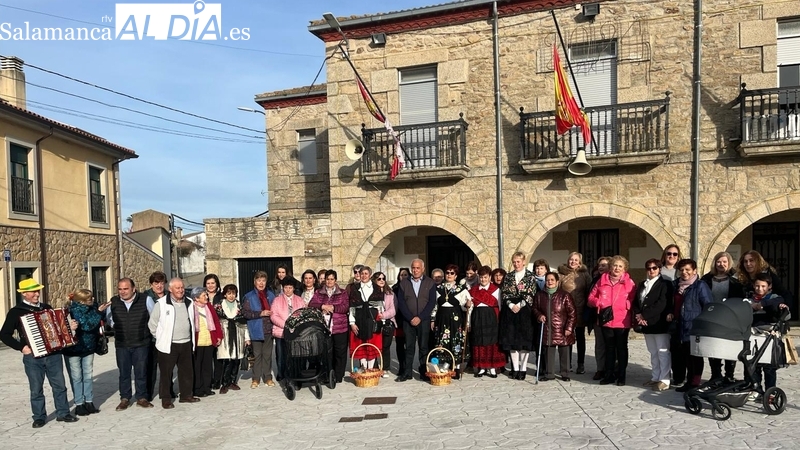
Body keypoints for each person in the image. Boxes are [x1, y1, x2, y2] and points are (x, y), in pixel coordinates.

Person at [0, 279, 79, 428]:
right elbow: (4, 335)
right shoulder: (16, 312)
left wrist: (71, 327)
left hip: (53, 354)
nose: (37, 294)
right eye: (34, 291)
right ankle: (39, 417)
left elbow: (59, 330)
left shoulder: (46, 308)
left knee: (60, 385)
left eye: (38, 291)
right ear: (24, 294)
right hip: (32, 358)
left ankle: (63, 413)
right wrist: (21, 347)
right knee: (36, 388)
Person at [149, 278, 200, 408]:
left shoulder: (189, 302)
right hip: (168, 344)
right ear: (170, 289)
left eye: (182, 287)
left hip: (186, 342)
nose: (181, 290)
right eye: (177, 288)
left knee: (186, 372)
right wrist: (160, 338)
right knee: (166, 373)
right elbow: (152, 324)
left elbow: (193, 321)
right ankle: (166, 398)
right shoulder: (161, 304)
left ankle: (186, 395)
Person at [108, 277, 156, 410]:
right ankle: (125, 398)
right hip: (122, 344)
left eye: (126, 289)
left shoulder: (145, 299)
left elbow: (153, 318)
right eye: (120, 289)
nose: (122, 292)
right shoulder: (114, 302)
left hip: (141, 343)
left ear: (133, 289)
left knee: (141, 372)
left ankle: (142, 397)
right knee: (124, 373)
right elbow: (110, 319)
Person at [588, 255, 636, 386]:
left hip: (622, 320)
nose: (617, 268)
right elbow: (591, 298)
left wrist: (627, 305)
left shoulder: (629, 282)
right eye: (615, 265)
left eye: (620, 266)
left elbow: (634, 299)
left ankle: (621, 375)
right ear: (610, 267)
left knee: (621, 348)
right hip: (606, 319)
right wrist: (600, 302)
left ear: (624, 269)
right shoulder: (601, 281)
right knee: (609, 348)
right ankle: (608, 375)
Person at [701, 251, 745, 382]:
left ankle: (729, 375)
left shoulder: (736, 279)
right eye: (719, 261)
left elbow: (740, 298)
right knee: (713, 346)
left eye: (724, 262)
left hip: (730, 317)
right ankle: (715, 374)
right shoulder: (706, 279)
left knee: (729, 346)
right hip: (712, 317)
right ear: (715, 263)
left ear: (729, 263)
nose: (721, 264)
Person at [671, 259, 713, 392]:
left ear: (694, 270)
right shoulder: (676, 285)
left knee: (695, 356)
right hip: (680, 325)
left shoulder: (700, 286)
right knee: (686, 356)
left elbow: (708, 305)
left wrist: (703, 324)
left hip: (694, 326)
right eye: (682, 270)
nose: (684, 272)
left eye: (688, 269)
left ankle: (695, 382)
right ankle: (689, 381)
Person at [633, 259, 674, 391]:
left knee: (663, 352)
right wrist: (639, 315)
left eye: (654, 268)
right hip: (646, 324)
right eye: (649, 268)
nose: (651, 270)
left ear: (659, 269)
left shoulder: (665, 284)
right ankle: (655, 377)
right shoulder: (642, 284)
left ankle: (665, 379)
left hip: (659, 322)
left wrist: (644, 315)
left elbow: (662, 303)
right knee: (653, 352)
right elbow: (636, 301)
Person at [64, 289, 106, 416]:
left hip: (89, 347)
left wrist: (100, 312)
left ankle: (89, 401)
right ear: (81, 301)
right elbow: (87, 325)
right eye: (89, 299)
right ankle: (79, 403)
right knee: (77, 377)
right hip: (74, 349)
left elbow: (99, 320)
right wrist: (98, 312)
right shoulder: (73, 310)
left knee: (87, 376)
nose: (92, 300)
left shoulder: (93, 307)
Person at [747, 273, 789, 398]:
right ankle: (756, 389)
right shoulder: (750, 298)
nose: (760, 289)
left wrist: (762, 304)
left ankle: (770, 391)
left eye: (763, 286)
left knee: (769, 366)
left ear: (769, 287)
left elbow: (779, 304)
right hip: (753, 333)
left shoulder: (775, 298)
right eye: (757, 286)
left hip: (769, 333)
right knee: (754, 364)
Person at [396, 258, 437, 382]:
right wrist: (410, 317)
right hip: (408, 321)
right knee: (409, 347)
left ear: (423, 269)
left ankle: (424, 371)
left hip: (423, 320)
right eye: (413, 267)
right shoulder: (404, 283)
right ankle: (407, 372)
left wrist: (420, 317)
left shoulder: (430, 283)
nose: (415, 270)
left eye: (418, 268)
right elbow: (401, 303)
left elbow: (431, 302)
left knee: (424, 347)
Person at [499, 252, 537, 380]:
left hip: (524, 310)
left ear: (524, 262)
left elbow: (531, 293)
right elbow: (504, 293)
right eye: (514, 262)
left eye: (518, 261)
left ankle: (523, 368)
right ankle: (515, 368)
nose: (516, 264)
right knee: (512, 340)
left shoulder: (530, 277)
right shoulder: (509, 276)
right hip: (510, 311)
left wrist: (520, 305)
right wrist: (510, 305)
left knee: (523, 340)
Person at [534, 272, 576, 381]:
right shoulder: (540, 295)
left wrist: (569, 328)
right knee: (548, 352)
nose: (550, 282)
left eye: (552, 280)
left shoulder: (565, 295)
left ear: (557, 282)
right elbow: (535, 308)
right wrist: (539, 315)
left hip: (562, 329)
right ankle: (549, 373)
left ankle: (565, 373)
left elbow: (572, 313)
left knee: (564, 352)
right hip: (548, 329)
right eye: (548, 280)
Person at [309, 270, 350, 383]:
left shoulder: (342, 292)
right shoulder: (319, 292)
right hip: (324, 327)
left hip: (340, 327)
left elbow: (345, 306)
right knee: (327, 352)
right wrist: (322, 306)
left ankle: (338, 375)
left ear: (335, 280)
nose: (329, 281)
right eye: (328, 279)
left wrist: (333, 308)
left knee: (340, 352)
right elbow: (312, 304)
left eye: (332, 279)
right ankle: (328, 374)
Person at [431, 264, 472, 378]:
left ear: (456, 276)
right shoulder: (439, 288)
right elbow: (435, 306)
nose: (449, 275)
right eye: (447, 273)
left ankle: (457, 368)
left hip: (455, 319)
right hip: (442, 319)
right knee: (443, 342)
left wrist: (468, 305)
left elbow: (467, 306)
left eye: (452, 273)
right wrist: (433, 320)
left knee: (456, 341)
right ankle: (446, 365)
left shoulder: (461, 289)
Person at [558, 252, 592, 375]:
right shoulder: (562, 274)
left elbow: (590, 291)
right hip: (566, 311)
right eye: (571, 259)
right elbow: (558, 291)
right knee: (568, 337)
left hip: (581, 310)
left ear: (580, 262)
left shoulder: (585, 275)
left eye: (576, 260)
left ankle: (581, 364)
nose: (573, 262)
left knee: (580, 337)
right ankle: (568, 363)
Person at [468, 266, 505, 377]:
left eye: (485, 277)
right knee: (479, 341)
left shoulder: (496, 290)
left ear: (489, 277)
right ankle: (482, 367)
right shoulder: (473, 290)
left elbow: (499, 306)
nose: (483, 280)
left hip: (491, 317)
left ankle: (492, 367)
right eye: (481, 277)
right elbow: (469, 308)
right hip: (477, 317)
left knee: (492, 342)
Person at [242, 270, 275, 388]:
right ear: (254, 282)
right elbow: (245, 313)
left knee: (267, 355)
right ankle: (255, 378)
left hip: (268, 330)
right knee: (257, 356)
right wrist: (260, 313)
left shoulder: (271, 295)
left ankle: (267, 377)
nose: (261, 283)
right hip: (256, 329)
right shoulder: (249, 296)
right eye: (259, 280)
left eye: (263, 280)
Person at [214, 284, 250, 393]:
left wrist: (247, 338)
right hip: (225, 335)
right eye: (229, 293)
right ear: (225, 294)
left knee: (236, 360)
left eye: (233, 293)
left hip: (238, 334)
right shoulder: (218, 306)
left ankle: (233, 381)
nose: (231, 296)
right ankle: (225, 383)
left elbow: (244, 324)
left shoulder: (239, 306)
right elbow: (215, 323)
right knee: (226, 359)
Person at [349, 266, 385, 372]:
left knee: (372, 344)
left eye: (366, 273)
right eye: (362, 273)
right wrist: (352, 322)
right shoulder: (354, 288)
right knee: (361, 344)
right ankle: (363, 368)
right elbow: (352, 307)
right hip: (359, 318)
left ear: (370, 275)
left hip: (372, 318)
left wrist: (381, 321)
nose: (364, 276)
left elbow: (379, 306)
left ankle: (370, 368)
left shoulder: (376, 288)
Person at [188, 286, 222, 397]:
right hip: (197, 342)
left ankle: (207, 387)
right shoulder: (191, 308)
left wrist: (218, 336)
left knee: (207, 366)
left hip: (208, 341)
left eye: (206, 295)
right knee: (197, 366)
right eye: (204, 295)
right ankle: (198, 388)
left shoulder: (209, 307)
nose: (206, 297)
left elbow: (216, 321)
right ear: (196, 298)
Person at [271, 277, 306, 382]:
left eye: (290, 288)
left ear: (294, 288)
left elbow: (303, 314)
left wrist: (295, 325)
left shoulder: (299, 300)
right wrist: (286, 325)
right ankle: (281, 374)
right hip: (281, 332)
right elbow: (274, 315)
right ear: (283, 288)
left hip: (296, 332)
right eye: (286, 287)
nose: (288, 290)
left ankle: (295, 373)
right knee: (281, 355)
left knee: (296, 355)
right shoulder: (277, 300)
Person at [590, 256, 611, 380]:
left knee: (612, 344)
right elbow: (590, 298)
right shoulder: (595, 281)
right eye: (600, 265)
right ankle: (600, 369)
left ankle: (612, 368)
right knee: (600, 345)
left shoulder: (615, 280)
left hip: (613, 317)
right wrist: (599, 302)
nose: (601, 267)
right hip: (598, 317)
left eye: (604, 265)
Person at [373, 271, 397, 377]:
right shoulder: (371, 293)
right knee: (374, 345)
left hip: (387, 321)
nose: (381, 280)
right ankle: (374, 367)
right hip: (374, 322)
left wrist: (383, 315)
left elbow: (394, 308)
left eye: (383, 278)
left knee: (386, 346)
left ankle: (385, 367)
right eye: (379, 279)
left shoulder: (390, 294)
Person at [204, 273, 224, 390]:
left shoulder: (221, 297)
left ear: (217, 284)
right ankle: (208, 379)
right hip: (205, 330)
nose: (210, 285)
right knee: (207, 357)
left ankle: (217, 380)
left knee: (218, 357)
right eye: (208, 283)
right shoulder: (201, 296)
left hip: (218, 329)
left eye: (213, 283)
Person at [391, 267, 410, 376]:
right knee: (399, 345)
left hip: (409, 319)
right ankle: (401, 367)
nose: (403, 277)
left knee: (409, 345)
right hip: (399, 320)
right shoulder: (395, 288)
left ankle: (408, 366)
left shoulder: (412, 287)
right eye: (401, 275)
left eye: (405, 275)